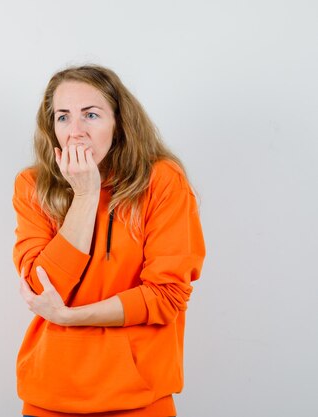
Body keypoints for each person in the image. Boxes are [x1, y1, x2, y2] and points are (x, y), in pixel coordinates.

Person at [11, 64, 206, 417]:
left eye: (91, 115)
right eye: (63, 118)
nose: (75, 132)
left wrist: (71, 317)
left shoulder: (162, 181)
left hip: (139, 399)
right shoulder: (32, 186)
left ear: (119, 124)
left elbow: (166, 296)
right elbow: (43, 290)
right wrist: (85, 197)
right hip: (49, 395)